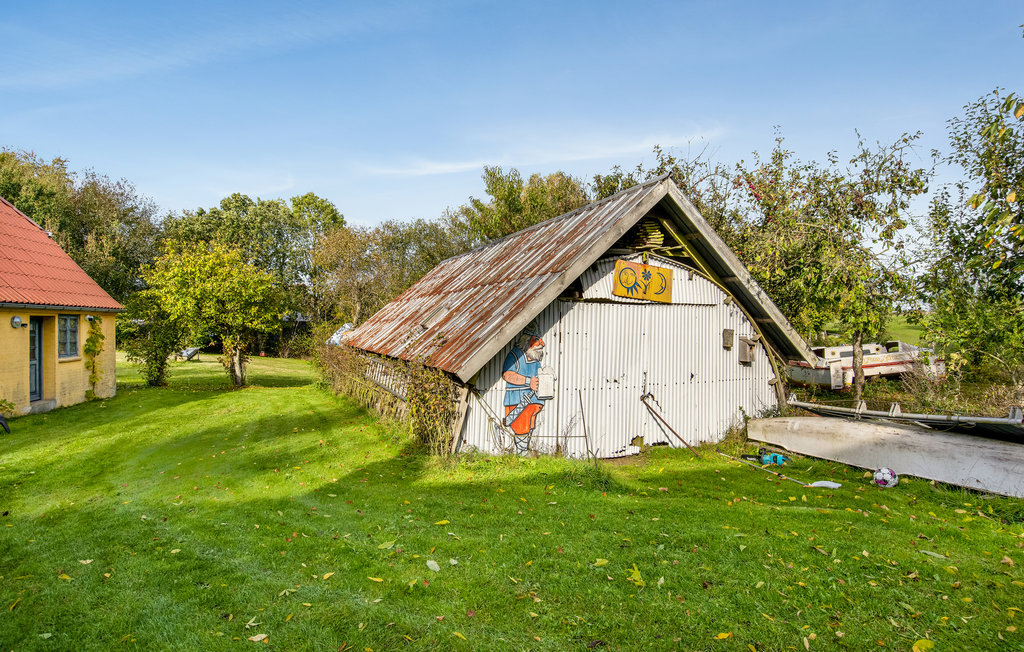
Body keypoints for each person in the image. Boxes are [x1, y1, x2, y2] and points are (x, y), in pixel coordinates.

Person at [501, 335, 546, 455]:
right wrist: (528, 381)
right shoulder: (515, 356)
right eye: (536, 341)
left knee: (529, 426)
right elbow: (507, 375)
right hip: (517, 399)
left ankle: (524, 451)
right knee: (521, 426)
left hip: (534, 401)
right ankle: (522, 453)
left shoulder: (535, 360)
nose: (541, 344)